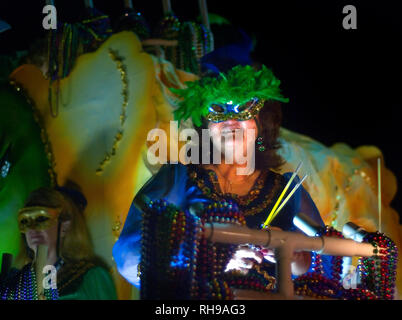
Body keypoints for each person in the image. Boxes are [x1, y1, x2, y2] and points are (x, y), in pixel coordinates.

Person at [113, 57, 328, 300]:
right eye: (218, 109)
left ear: (263, 120)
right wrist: (214, 258)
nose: (230, 120)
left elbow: (329, 268)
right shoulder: (179, 179)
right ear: (204, 123)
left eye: (243, 107)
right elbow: (129, 256)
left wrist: (295, 258)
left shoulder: (289, 190)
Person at [0, 185, 117, 300]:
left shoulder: (92, 278)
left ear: (64, 227)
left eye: (41, 218)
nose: (32, 228)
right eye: (25, 221)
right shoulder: (14, 284)